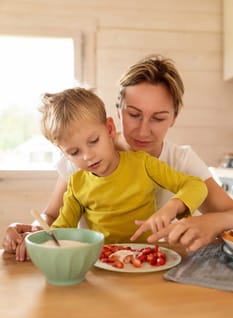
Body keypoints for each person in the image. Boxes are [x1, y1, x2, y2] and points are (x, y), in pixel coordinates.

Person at [3, 54, 233, 261]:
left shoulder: (180, 160)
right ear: (117, 111)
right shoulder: (82, 155)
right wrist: (33, 231)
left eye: (158, 118)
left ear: (174, 117)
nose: (143, 131)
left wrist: (212, 221)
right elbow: (52, 216)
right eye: (134, 114)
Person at [40, 87, 206, 244]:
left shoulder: (143, 164)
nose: (88, 156)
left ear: (110, 128)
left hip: (145, 258)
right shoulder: (76, 184)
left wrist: (171, 208)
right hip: (102, 263)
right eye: (74, 152)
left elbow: (196, 185)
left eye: (93, 141)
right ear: (64, 154)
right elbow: (60, 230)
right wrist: (36, 239)